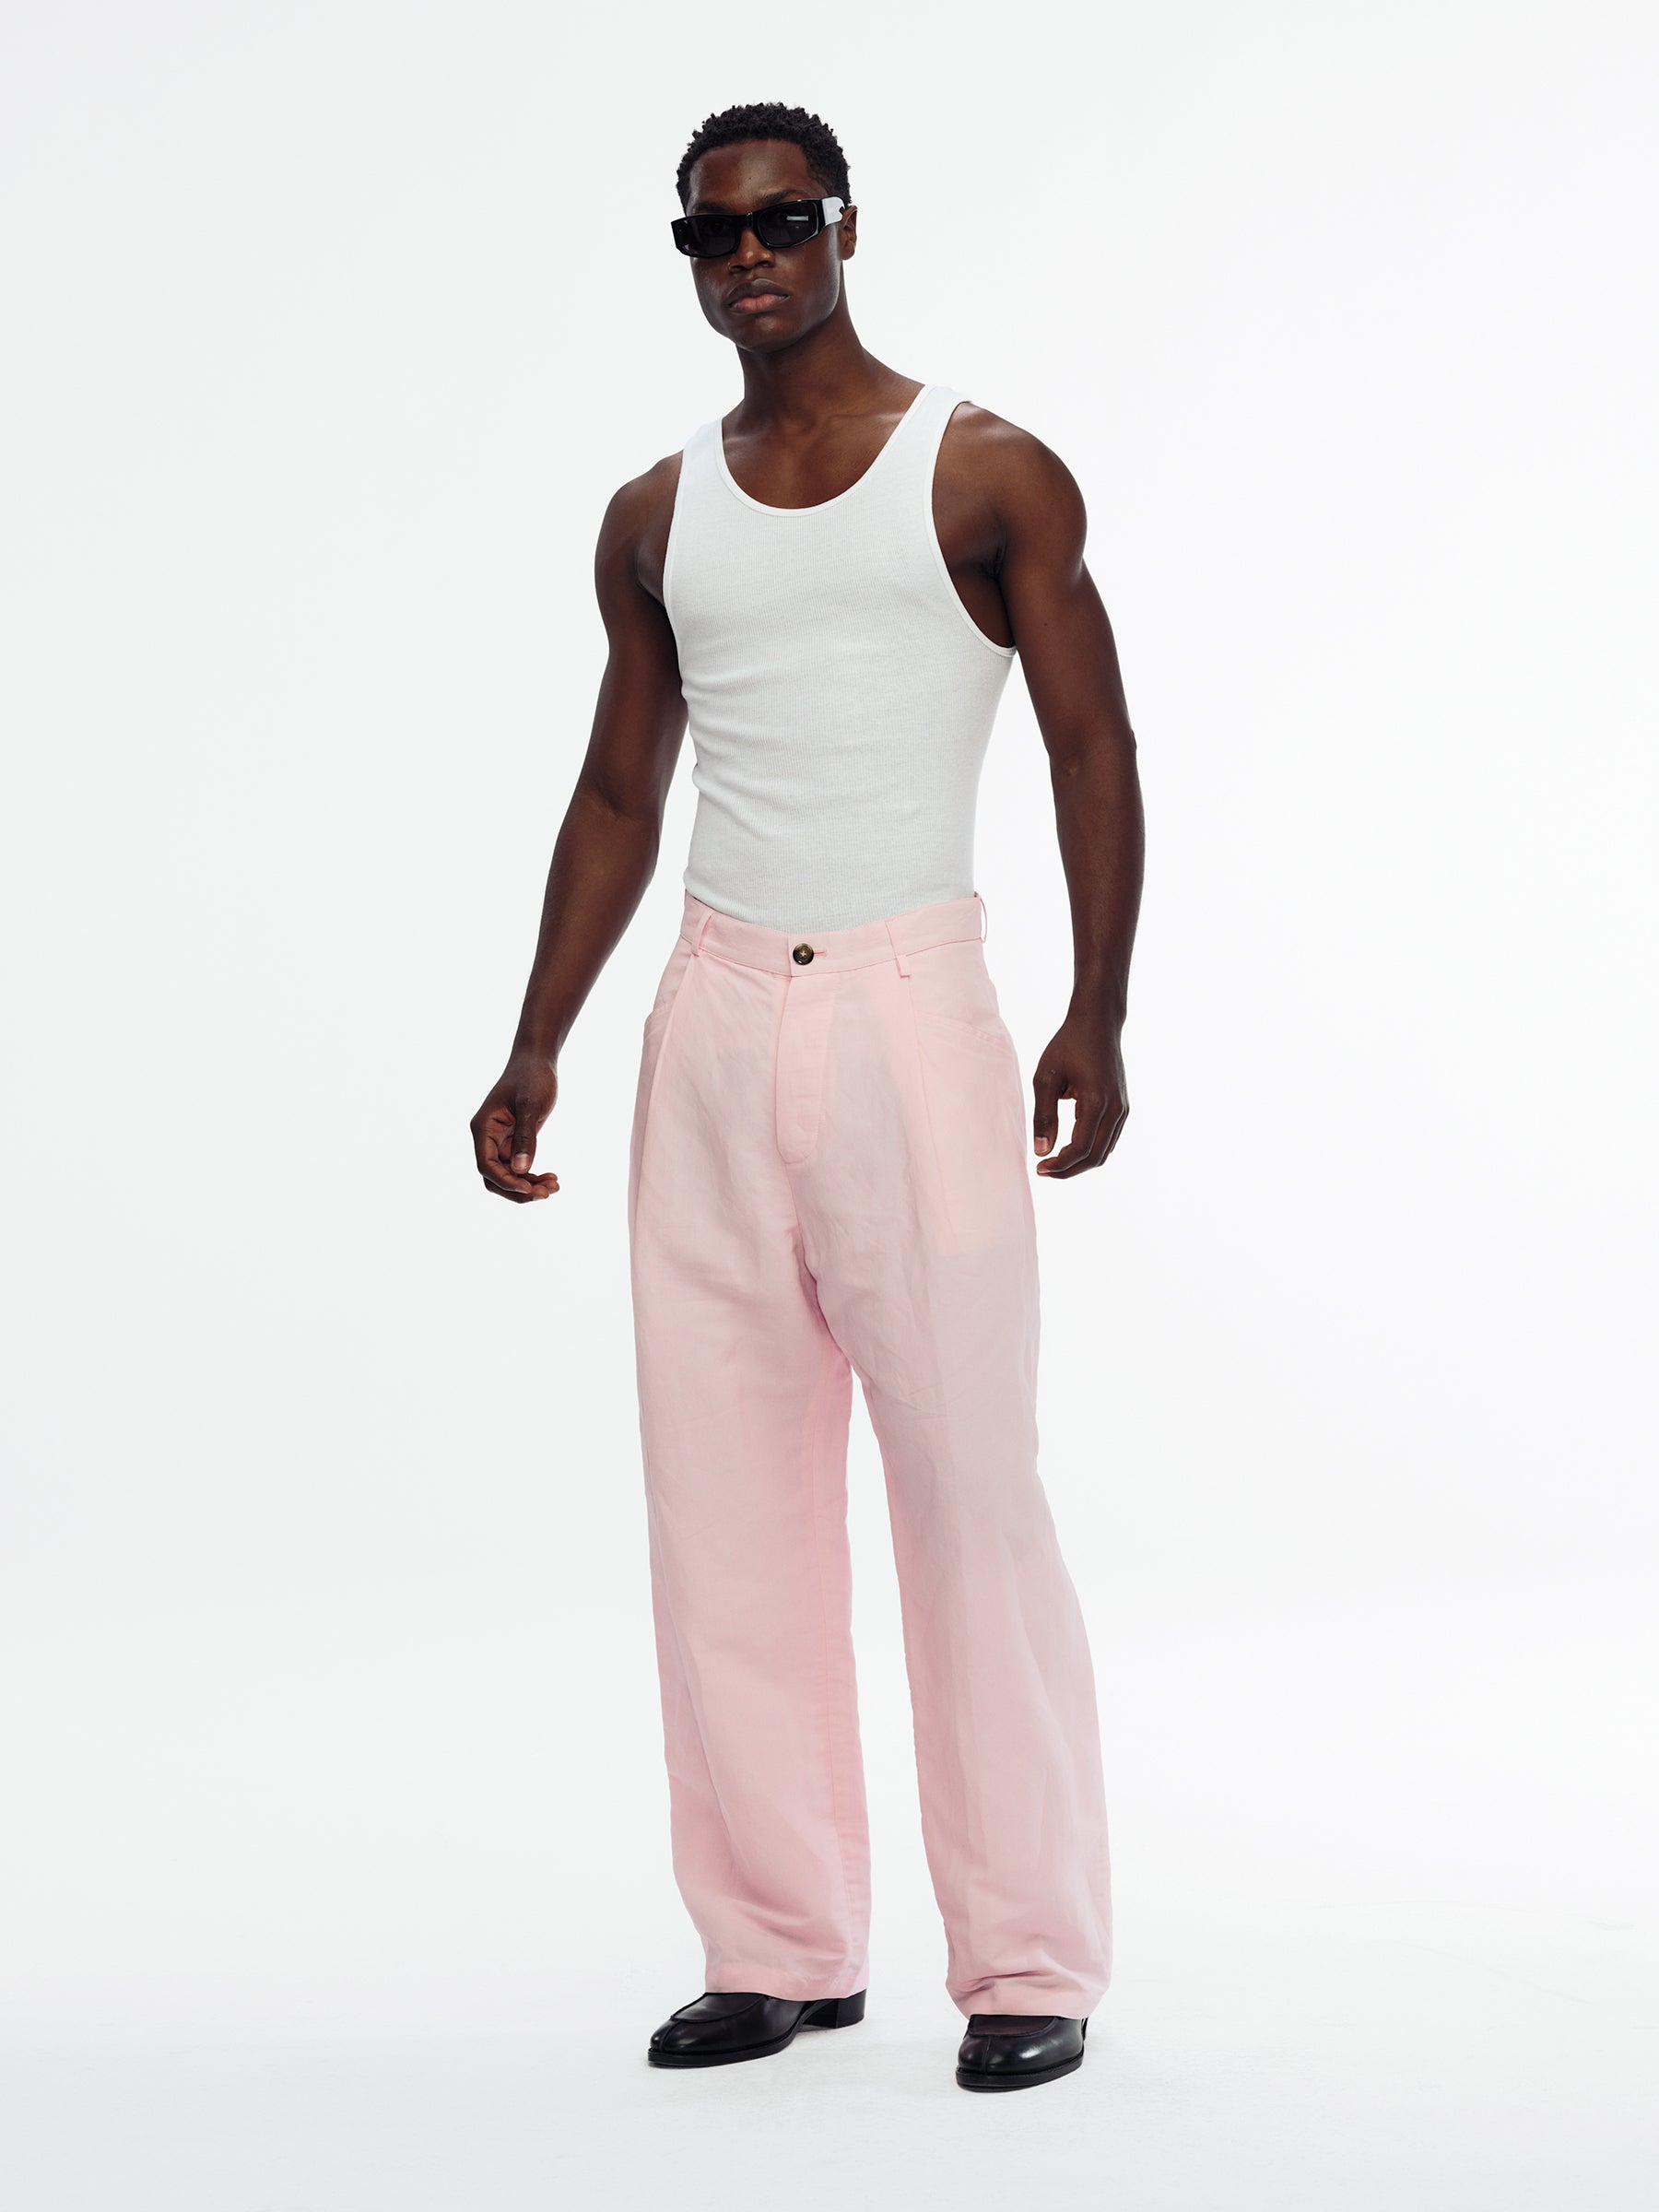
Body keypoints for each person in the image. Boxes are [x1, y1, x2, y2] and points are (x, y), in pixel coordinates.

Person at [469, 101, 1144, 2094]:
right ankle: (776, 1945)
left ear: (846, 226)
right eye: (712, 233)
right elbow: (620, 790)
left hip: (913, 1012)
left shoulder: (985, 471)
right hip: (709, 1016)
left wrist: (1099, 1008)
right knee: (723, 1510)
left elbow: (1093, 743)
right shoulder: (655, 514)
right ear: (687, 256)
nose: (748, 255)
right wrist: (537, 1039)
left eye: (781, 221)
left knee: (970, 1501)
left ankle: (1027, 1957)